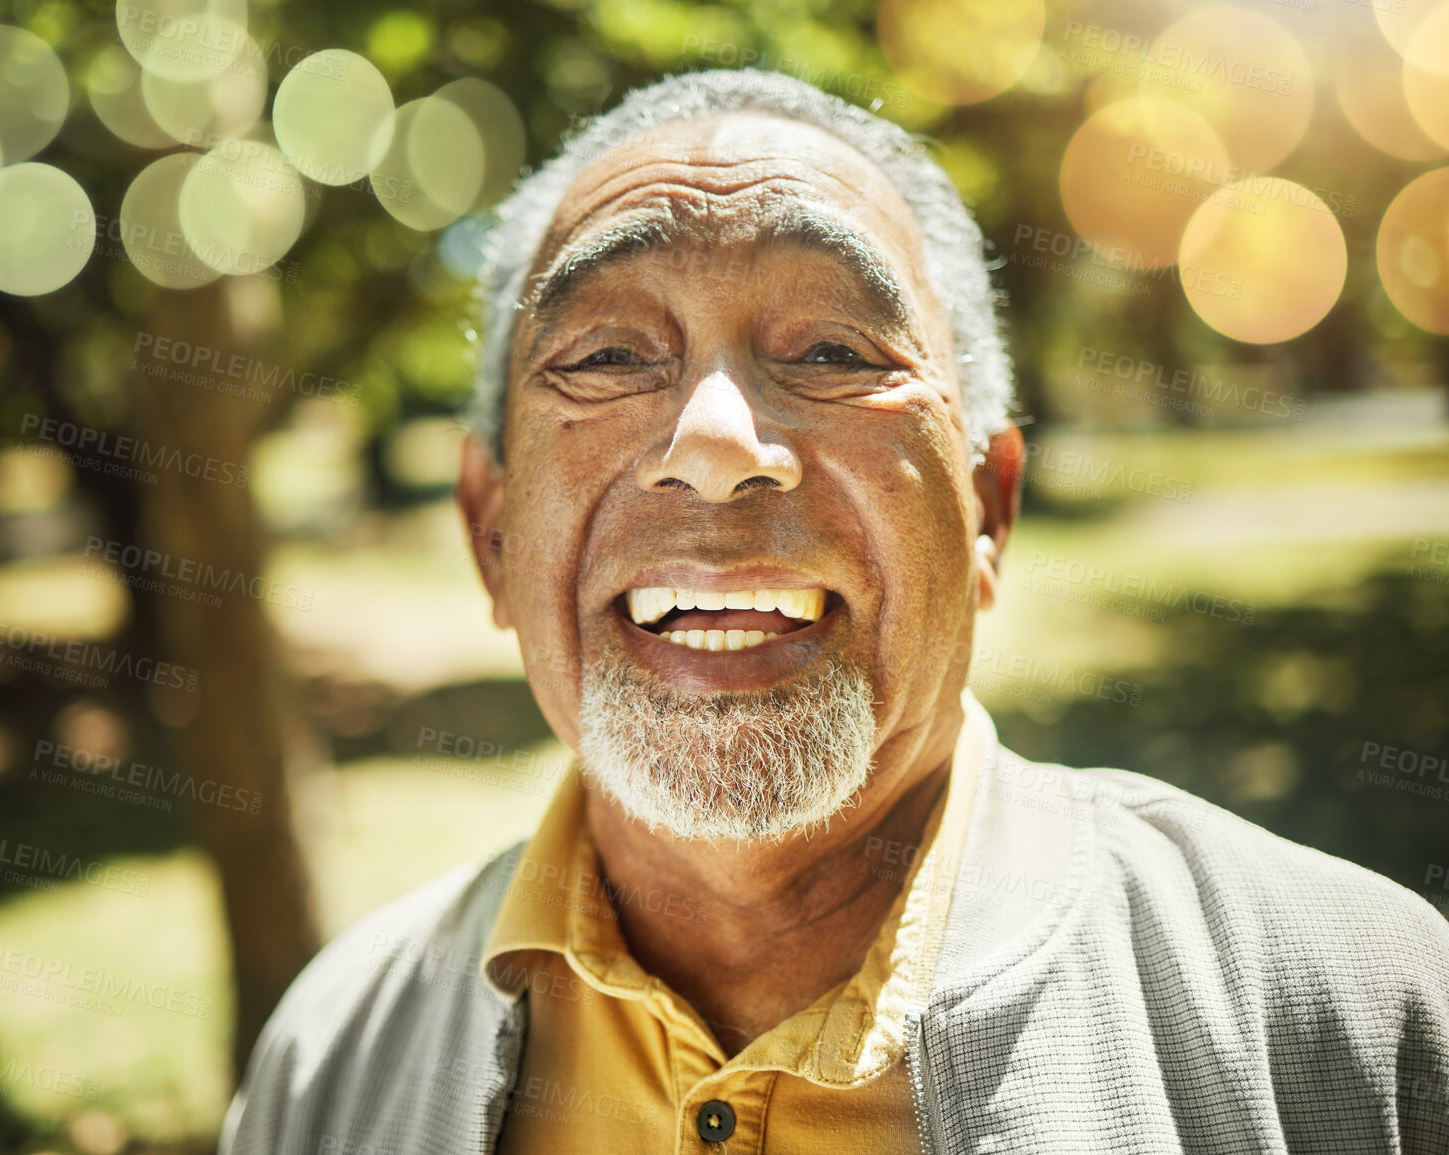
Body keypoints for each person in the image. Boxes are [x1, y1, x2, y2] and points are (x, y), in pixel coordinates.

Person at [219, 69, 1449, 1155]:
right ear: (490, 533)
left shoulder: (1359, 1022)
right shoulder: (329, 1061)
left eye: (833, 352)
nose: (714, 446)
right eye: (603, 357)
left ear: (988, 509)